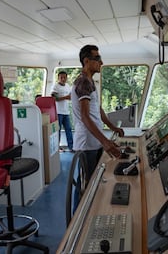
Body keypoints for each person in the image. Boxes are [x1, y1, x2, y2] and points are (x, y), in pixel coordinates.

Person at [71, 44, 124, 211]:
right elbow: (85, 116)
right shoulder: (82, 82)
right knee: (84, 186)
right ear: (86, 61)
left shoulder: (90, 82)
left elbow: (97, 110)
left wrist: (112, 127)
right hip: (86, 143)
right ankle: (76, 220)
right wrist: (106, 142)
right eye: (98, 58)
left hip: (95, 141)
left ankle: (90, 212)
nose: (101, 62)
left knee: (93, 181)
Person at [51, 71, 74, 152]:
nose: (63, 79)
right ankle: (57, 147)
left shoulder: (68, 86)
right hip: (58, 112)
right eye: (61, 77)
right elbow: (54, 98)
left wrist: (69, 97)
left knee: (69, 129)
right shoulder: (55, 87)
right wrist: (65, 97)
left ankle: (71, 146)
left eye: (65, 77)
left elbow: (70, 96)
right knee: (58, 130)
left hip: (66, 112)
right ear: (58, 78)